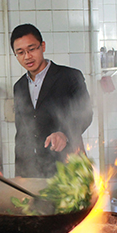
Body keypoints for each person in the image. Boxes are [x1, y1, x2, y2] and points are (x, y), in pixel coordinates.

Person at [11, 23, 93, 178]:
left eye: (32, 49)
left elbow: (86, 114)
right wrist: (20, 174)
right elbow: (21, 133)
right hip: (34, 171)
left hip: (67, 165)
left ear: (42, 46)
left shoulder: (69, 77)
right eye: (20, 52)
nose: (27, 56)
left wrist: (64, 133)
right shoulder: (19, 86)